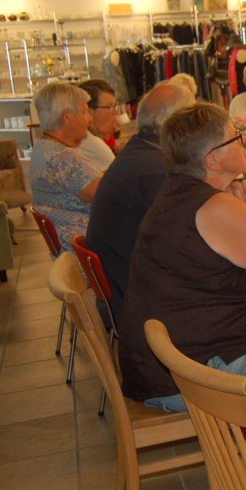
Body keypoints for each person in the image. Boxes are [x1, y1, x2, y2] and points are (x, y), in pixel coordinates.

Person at [119, 102, 246, 427]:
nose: (243, 141)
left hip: (163, 362)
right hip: (186, 374)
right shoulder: (214, 206)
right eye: (235, 137)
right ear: (212, 160)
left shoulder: (178, 192)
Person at [86, 81, 196, 320]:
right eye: (194, 119)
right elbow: (191, 243)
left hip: (124, 286)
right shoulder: (157, 170)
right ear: (178, 123)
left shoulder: (141, 151)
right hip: (141, 307)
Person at [29, 82, 102, 252]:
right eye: (84, 112)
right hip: (86, 244)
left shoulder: (43, 146)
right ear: (67, 117)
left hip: (67, 239)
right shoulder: (62, 157)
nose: (90, 119)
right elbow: (106, 196)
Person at [76, 79, 119, 171]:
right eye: (110, 107)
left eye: (115, 106)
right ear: (89, 111)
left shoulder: (86, 137)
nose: (116, 112)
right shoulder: (92, 144)